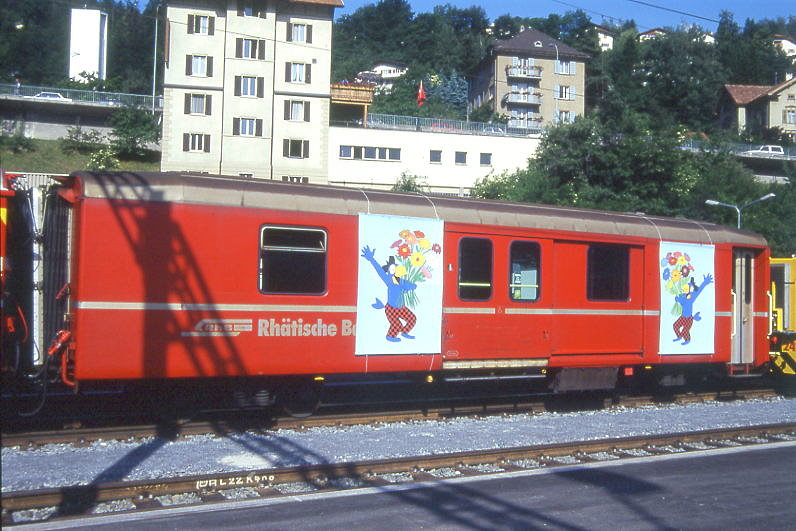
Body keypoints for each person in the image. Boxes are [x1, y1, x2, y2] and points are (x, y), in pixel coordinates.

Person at [361, 245, 417, 342]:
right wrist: (371, 259)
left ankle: (404, 332)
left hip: (401, 308)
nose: (394, 270)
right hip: (391, 308)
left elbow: (413, 286)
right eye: (391, 269)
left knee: (412, 319)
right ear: (389, 273)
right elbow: (379, 271)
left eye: (395, 268)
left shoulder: (402, 281)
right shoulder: (389, 281)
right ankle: (390, 336)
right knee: (397, 324)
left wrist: (409, 287)